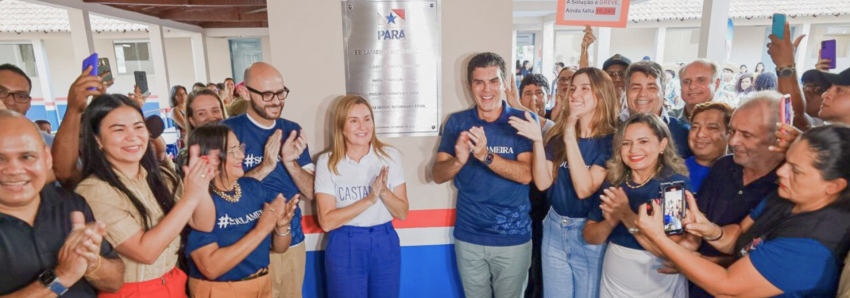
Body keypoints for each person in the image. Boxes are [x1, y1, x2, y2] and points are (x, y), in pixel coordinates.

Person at [636, 125, 850, 298]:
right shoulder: (786, 196)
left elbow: (726, 287)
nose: (781, 171)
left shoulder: (811, 246)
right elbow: (740, 235)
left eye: (796, 170)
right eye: (787, 162)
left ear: (834, 186)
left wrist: (656, 236)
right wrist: (709, 229)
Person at [74, 94, 216, 297]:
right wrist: (191, 197)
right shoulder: (94, 190)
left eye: (138, 127)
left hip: (174, 284)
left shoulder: (162, 177)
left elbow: (203, 223)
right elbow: (145, 252)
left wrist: (201, 186)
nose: (132, 137)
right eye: (119, 129)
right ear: (97, 139)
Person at [509, 67, 619, 298]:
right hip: (555, 228)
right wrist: (539, 141)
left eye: (584, 88)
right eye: (573, 88)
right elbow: (542, 182)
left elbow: (584, 189)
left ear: (601, 94)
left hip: (589, 234)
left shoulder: (611, 141)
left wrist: (570, 136)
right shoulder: (558, 136)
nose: (575, 94)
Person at [432, 52, 534, 298]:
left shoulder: (521, 121)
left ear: (504, 84)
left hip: (512, 239)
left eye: (494, 81)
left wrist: (486, 156)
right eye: (479, 82)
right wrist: (459, 161)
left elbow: (526, 175)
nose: (487, 89)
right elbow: (437, 174)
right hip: (469, 237)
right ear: (470, 86)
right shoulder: (456, 122)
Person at [0, 110, 125, 297]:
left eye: (27, 157)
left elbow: (115, 282)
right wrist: (61, 277)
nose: (14, 170)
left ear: (47, 158)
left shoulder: (71, 204)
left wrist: (92, 263)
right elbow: (66, 275)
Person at [222, 62, 315, 298]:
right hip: (248, 248)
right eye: (266, 94)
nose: (276, 101)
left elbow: (312, 192)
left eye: (281, 92)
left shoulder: (292, 130)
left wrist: (291, 163)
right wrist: (266, 166)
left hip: (292, 242)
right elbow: (222, 193)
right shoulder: (227, 132)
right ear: (244, 93)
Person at [583, 113, 697, 298]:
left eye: (643, 141)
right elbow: (590, 236)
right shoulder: (614, 181)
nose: (633, 149)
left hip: (659, 283)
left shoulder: (673, 187)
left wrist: (626, 215)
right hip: (614, 282)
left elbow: (673, 250)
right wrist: (610, 222)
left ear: (662, 144)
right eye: (626, 143)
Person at [689, 91, 786, 298]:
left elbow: (778, 257)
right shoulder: (723, 165)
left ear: (777, 136)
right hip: (697, 282)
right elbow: (703, 223)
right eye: (732, 131)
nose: (733, 142)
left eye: (746, 135)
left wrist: (717, 264)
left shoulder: (789, 184)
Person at [185, 123, 299, 297]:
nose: (241, 155)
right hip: (222, 289)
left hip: (263, 284)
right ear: (209, 157)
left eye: (240, 147)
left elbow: (279, 248)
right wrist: (262, 229)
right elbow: (210, 268)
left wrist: (282, 226)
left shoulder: (253, 188)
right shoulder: (199, 202)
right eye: (232, 150)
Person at [315, 95, 409, 298]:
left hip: (385, 241)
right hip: (344, 243)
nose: (362, 126)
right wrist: (369, 200)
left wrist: (383, 191)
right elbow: (327, 221)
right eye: (354, 120)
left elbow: (402, 212)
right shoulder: (327, 162)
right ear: (341, 127)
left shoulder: (390, 156)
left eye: (367, 119)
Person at [620, 61, 692, 158]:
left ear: (663, 92)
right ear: (626, 91)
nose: (642, 94)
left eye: (651, 88)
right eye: (636, 88)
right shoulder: (609, 129)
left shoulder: (684, 133)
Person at [0, 63, 57, 147]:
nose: (11, 102)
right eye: (1, 92)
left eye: (21, 96)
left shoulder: (50, 145)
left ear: (29, 103)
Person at [685, 101, 732, 195]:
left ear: (730, 134)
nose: (700, 134)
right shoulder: (673, 171)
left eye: (712, 128)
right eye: (695, 127)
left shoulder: (742, 174)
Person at [669, 59, 721, 124]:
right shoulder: (667, 121)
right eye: (686, 81)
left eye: (701, 80)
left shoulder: (731, 122)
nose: (692, 86)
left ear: (716, 84)